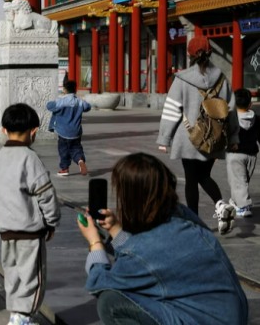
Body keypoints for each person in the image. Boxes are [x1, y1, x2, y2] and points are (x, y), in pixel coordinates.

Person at [77, 152, 248, 324]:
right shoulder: (183, 216)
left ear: (130, 199)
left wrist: (95, 242)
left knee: (111, 302)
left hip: (203, 319)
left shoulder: (146, 248)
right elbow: (146, 257)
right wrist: (115, 230)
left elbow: (99, 282)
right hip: (229, 314)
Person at [157, 35, 239, 234]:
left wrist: (164, 138)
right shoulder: (221, 77)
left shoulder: (182, 78)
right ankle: (220, 204)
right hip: (215, 138)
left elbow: (172, 109)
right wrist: (234, 138)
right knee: (204, 175)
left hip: (189, 138)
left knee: (192, 180)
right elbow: (231, 109)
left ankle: (194, 222)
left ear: (189, 54)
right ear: (209, 53)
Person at [0, 103, 60, 325]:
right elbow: (45, 194)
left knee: (13, 276)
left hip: (5, 231)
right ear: (33, 132)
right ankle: (23, 318)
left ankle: (16, 314)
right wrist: (51, 221)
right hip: (29, 233)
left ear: (4, 130)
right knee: (33, 279)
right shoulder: (30, 158)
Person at [46, 80, 92, 177]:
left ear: (64, 89)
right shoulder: (79, 101)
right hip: (76, 131)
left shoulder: (61, 101)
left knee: (63, 150)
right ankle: (80, 160)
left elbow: (49, 106)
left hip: (63, 131)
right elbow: (88, 107)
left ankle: (64, 168)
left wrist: (55, 101)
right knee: (76, 148)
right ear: (75, 89)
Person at [226, 88, 259, 218]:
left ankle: (244, 207)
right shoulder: (257, 119)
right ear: (250, 104)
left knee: (238, 180)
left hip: (235, 155)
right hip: (252, 155)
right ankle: (236, 201)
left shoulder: (230, 119)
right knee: (242, 180)